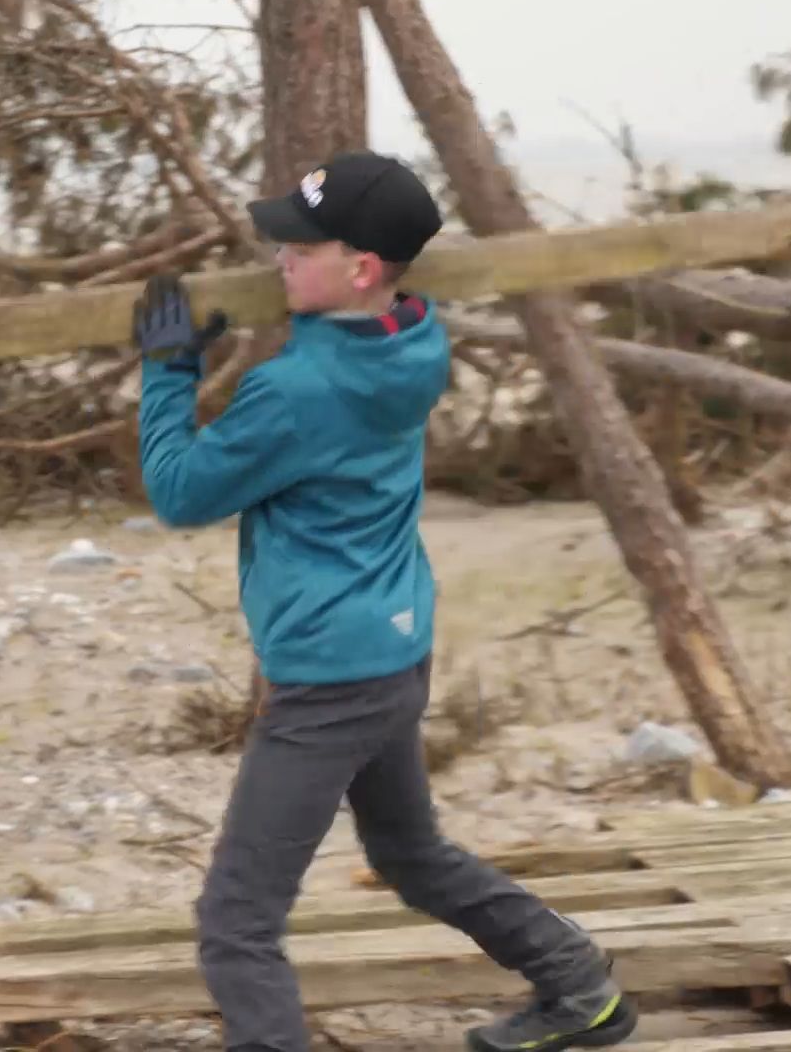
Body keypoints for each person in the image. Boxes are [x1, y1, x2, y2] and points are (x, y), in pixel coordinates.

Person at [131, 150, 637, 1052]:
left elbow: (178, 493)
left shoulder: (297, 388)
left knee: (236, 923)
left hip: (329, 679)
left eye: (300, 248)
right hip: (395, 649)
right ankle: (581, 988)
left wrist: (169, 373)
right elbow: (337, 361)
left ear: (362, 267)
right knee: (409, 855)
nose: (278, 259)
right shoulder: (416, 338)